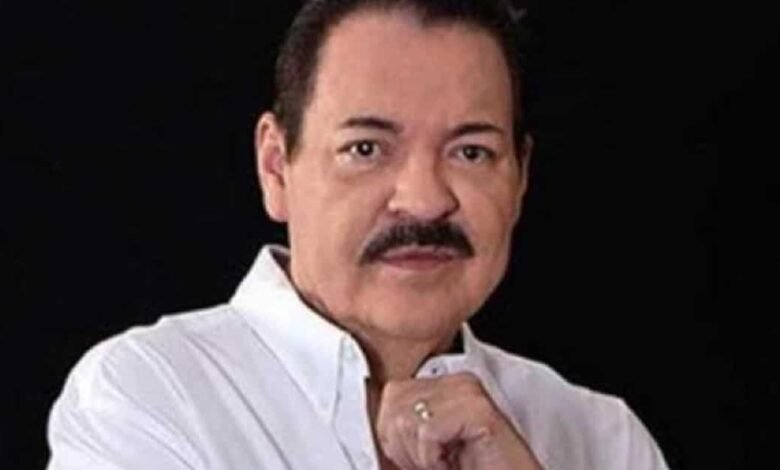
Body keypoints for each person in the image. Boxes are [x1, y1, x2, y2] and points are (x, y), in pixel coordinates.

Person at [46, 1, 670, 469]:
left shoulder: (601, 439)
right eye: (366, 148)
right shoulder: (149, 395)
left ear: (521, 178)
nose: (425, 199)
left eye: (471, 152)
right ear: (275, 167)